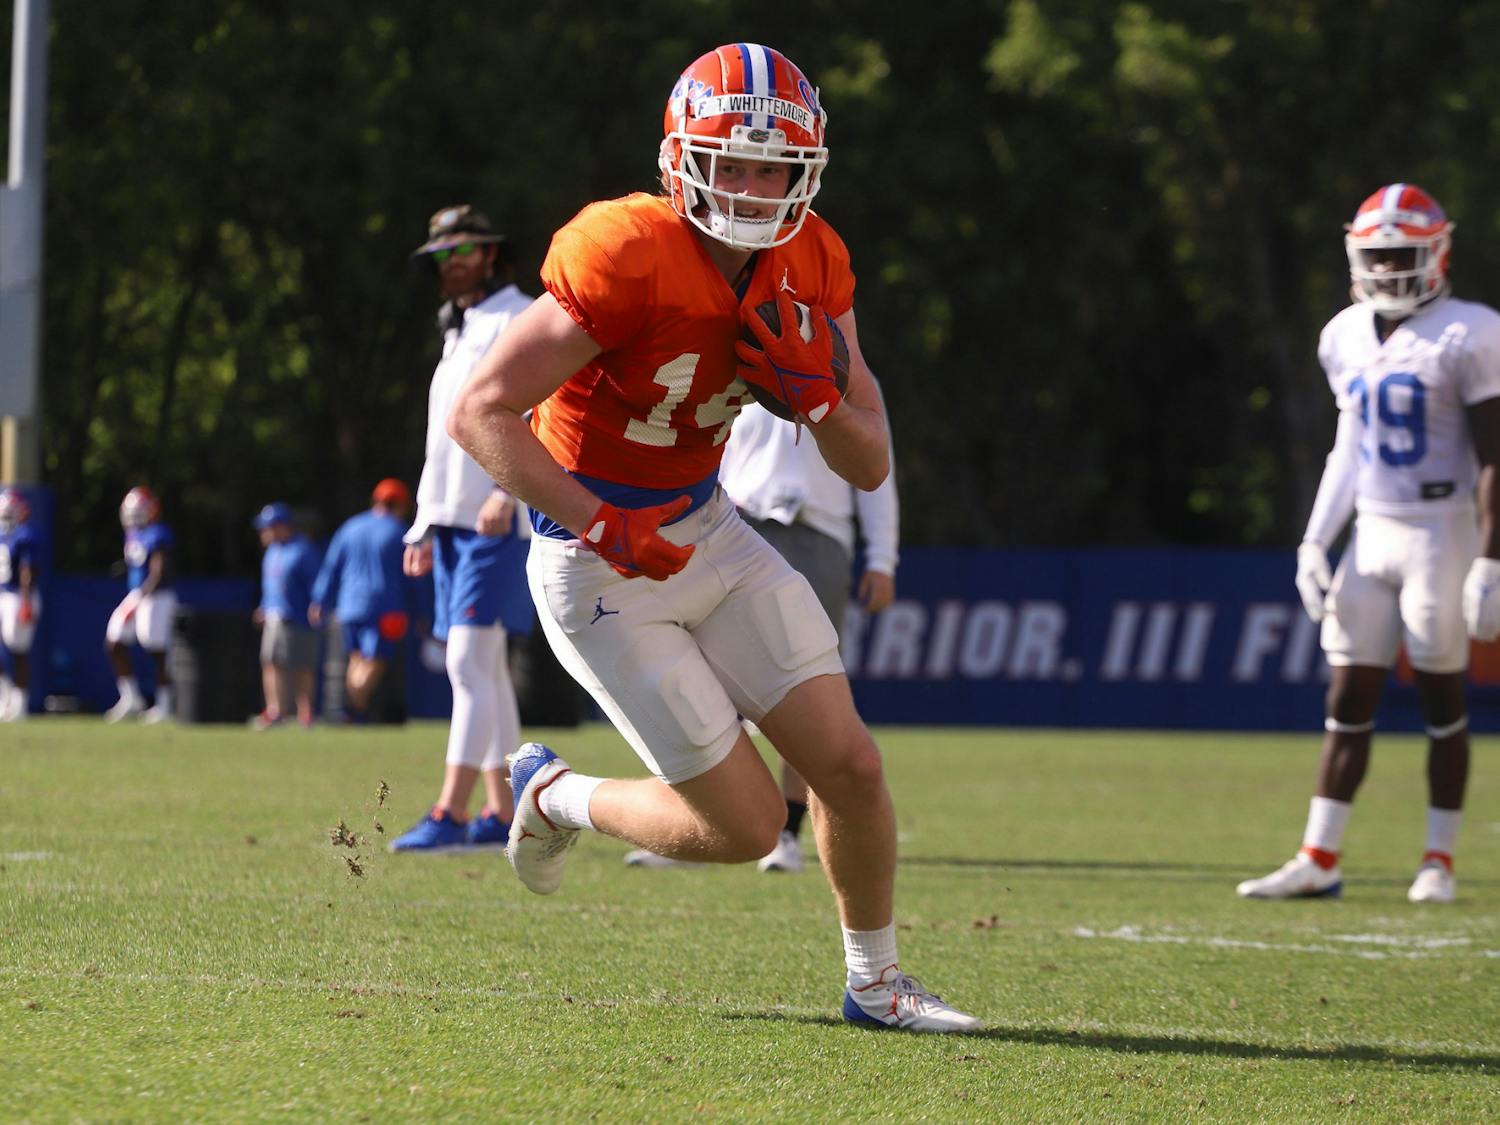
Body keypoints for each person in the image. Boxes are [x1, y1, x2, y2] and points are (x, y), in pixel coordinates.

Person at [448, 42, 979, 1032]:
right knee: (744, 827)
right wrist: (601, 521)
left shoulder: (812, 259)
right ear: (680, 161)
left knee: (851, 767)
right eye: (731, 162)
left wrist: (819, 400)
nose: (751, 188)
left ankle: (877, 983)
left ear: (804, 173)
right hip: (595, 559)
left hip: (711, 528)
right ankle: (555, 794)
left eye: (773, 168)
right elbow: (480, 412)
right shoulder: (625, 250)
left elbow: (868, 461)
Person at [1237, 184, 1500, 906]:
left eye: (1400, 253)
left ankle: (1439, 860)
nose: (1386, 267)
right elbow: (1346, 447)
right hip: (1372, 531)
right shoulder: (1344, 333)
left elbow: (1494, 457)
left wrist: (1490, 557)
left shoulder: (1471, 331)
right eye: (1376, 254)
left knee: (1441, 696)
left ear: (1436, 254)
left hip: (1441, 530)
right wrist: (1315, 540)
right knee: (1347, 695)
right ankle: (1318, 856)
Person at [624, 386, 900, 872]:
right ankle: (699, 825)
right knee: (700, 678)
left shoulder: (845, 370)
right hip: (735, 528)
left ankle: (786, 833)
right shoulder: (731, 365)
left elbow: (876, 467)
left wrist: (882, 558)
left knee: (806, 685)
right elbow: (712, 448)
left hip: (819, 534)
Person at [388, 205, 535, 853]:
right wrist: (424, 523)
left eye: (463, 250)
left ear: (491, 252)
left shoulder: (520, 316)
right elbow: (441, 441)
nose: (452, 264)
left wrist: (508, 490)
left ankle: (449, 812)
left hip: (493, 521)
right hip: (451, 522)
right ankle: (503, 812)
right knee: (486, 667)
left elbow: (541, 410)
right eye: (442, 255)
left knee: (467, 661)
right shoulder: (459, 327)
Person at [309, 479, 413, 723]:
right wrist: (422, 612)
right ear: (401, 505)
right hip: (385, 606)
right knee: (375, 659)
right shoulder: (399, 531)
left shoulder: (350, 527)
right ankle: (354, 709)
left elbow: (331, 567)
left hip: (349, 605)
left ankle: (356, 711)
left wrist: (319, 601)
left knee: (357, 658)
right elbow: (412, 576)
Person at [104, 486, 177, 724]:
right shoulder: (133, 535)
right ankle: (131, 697)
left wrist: (140, 598)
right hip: (138, 594)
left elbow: (159, 571)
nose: (134, 518)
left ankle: (165, 704)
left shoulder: (158, 533)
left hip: (157, 596)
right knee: (115, 640)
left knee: (157, 649)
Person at [251, 502, 322, 729]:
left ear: (282, 526)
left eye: (268, 527)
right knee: (271, 662)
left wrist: (317, 605)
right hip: (273, 618)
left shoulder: (302, 549)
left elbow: (316, 582)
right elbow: (270, 585)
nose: (264, 533)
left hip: (298, 617)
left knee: (303, 665)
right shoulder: (271, 552)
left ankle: (305, 713)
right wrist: (264, 606)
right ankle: (276, 711)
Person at [0, 488, 40, 721]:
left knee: (18, 649)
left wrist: (26, 601)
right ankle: (5, 696)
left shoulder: (25, 535)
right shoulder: (2, 535)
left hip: (19, 596)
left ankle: (20, 702)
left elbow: (27, 571)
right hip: (3, 594)